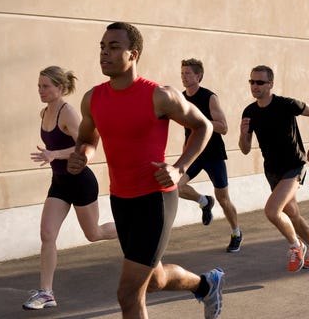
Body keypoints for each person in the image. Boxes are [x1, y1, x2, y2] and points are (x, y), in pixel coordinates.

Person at [67, 22, 225, 319]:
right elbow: (88, 139)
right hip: (121, 200)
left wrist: (180, 168)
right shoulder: (93, 98)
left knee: (129, 295)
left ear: (133, 54)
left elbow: (203, 125)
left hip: (156, 199)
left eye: (114, 47)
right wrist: (83, 156)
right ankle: (206, 285)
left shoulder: (159, 96)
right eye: (102, 47)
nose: (104, 53)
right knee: (155, 279)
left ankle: (206, 285)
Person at [23, 66, 117, 310]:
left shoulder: (68, 113)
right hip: (60, 183)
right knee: (47, 234)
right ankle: (46, 293)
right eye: (39, 86)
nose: (40, 90)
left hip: (80, 182)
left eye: (46, 86)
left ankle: (133, 228)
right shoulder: (44, 113)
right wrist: (52, 156)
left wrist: (54, 153)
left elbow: (84, 144)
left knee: (93, 234)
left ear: (60, 88)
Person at [239, 65, 309, 272]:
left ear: (270, 84)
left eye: (259, 82)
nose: (255, 86)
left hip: (294, 166)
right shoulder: (249, 112)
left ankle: (297, 246)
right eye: (252, 82)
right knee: (292, 213)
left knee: (272, 211)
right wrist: (242, 134)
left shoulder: (286, 104)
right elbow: (245, 150)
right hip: (273, 171)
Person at [178, 59, 243, 253]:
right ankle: (204, 202)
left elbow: (223, 127)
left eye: (188, 73)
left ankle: (236, 233)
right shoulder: (180, 99)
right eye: (182, 73)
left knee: (223, 198)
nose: (184, 76)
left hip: (213, 154)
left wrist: (202, 121)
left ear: (198, 76)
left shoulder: (209, 97)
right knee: (175, 186)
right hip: (193, 154)